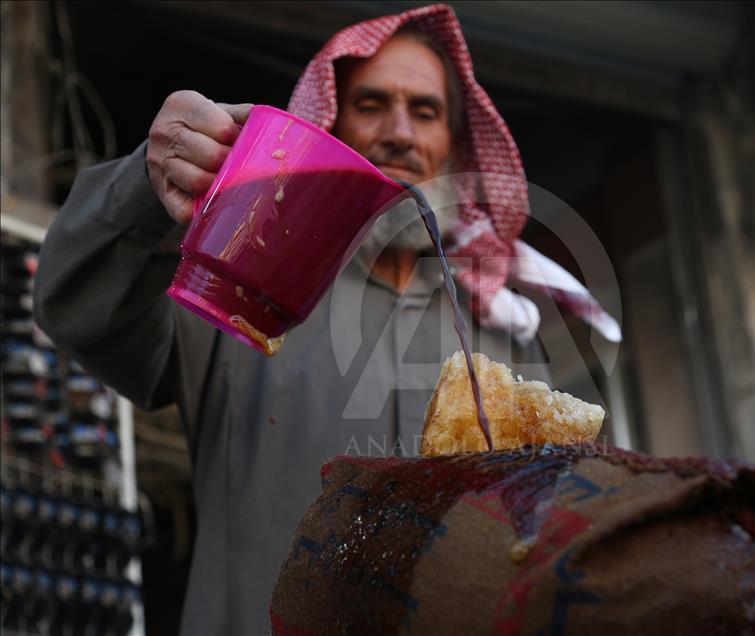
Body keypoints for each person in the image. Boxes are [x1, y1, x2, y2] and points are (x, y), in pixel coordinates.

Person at [34, 4, 618, 634]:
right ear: (332, 124)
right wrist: (143, 190)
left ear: (455, 142)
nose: (400, 132)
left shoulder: (506, 338)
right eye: (372, 104)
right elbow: (74, 308)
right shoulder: (249, 282)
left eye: (424, 112)